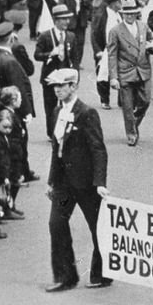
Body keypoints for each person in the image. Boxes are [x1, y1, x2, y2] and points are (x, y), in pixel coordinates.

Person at [43, 69, 110, 292]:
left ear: (74, 86)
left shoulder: (87, 113)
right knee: (57, 224)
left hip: (86, 182)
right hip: (63, 182)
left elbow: (98, 148)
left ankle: (102, 273)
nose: (58, 90)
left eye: (63, 86)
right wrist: (51, 181)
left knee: (97, 227)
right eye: (55, 86)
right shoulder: (56, 111)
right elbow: (56, 148)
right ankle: (65, 276)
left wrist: (100, 182)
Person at [104, 0, 153, 147]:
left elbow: (151, 38)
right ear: (122, 15)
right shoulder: (115, 31)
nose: (129, 16)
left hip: (142, 69)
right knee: (127, 106)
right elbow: (112, 55)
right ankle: (131, 133)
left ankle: (134, 122)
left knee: (145, 101)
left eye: (132, 13)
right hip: (125, 72)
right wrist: (114, 77)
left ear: (136, 14)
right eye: (126, 14)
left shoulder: (143, 26)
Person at [34, 3, 77, 136]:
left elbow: (75, 58)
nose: (67, 22)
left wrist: (76, 77)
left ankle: (64, 130)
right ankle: (52, 133)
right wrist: (50, 54)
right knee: (51, 106)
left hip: (66, 78)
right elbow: (37, 55)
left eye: (68, 19)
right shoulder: (45, 36)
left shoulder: (71, 36)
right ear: (56, 20)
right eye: (64, 19)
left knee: (67, 105)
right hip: (50, 78)